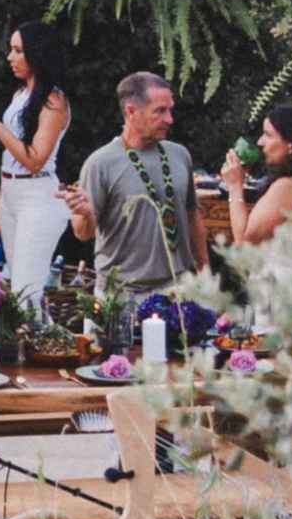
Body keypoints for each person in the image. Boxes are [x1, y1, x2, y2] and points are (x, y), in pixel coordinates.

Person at [63, 71, 218, 332]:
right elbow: (83, 233)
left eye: (170, 110)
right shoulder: (101, 163)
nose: (169, 119)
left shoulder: (180, 155)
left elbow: (193, 217)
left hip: (176, 293)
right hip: (120, 297)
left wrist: (205, 272)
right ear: (131, 111)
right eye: (160, 111)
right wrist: (87, 214)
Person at [0, 18, 79, 301]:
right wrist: (1, 200)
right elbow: (12, 157)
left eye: (18, 50)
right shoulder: (20, 94)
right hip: (12, 194)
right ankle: (30, 342)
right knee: (17, 289)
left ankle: (32, 343)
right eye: (11, 49)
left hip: (38, 196)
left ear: (36, 54)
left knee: (25, 292)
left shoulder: (54, 101)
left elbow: (36, 159)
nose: (10, 57)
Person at [221, 101, 292, 248]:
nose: (260, 142)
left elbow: (244, 243)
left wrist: (235, 187)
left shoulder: (287, 187)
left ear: (291, 145)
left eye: (268, 134)